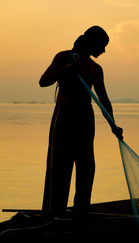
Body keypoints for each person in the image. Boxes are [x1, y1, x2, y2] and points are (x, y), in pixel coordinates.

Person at [39, 25, 123, 216]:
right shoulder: (64, 57)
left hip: (85, 117)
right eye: (102, 45)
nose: (103, 50)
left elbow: (104, 100)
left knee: (87, 165)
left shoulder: (96, 68)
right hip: (65, 116)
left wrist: (113, 125)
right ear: (92, 42)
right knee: (60, 164)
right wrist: (68, 69)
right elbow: (43, 81)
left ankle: (82, 208)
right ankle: (54, 210)